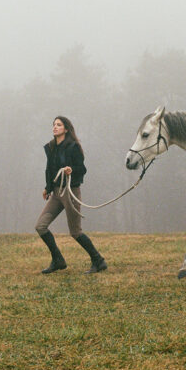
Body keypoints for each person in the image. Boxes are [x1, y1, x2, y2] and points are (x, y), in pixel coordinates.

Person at [35, 116, 107, 274]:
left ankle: (98, 261)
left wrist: (71, 170)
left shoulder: (73, 147)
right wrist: (47, 188)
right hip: (56, 193)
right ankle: (58, 260)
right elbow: (49, 169)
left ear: (66, 129)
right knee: (40, 226)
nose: (55, 127)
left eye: (59, 125)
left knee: (75, 232)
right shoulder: (51, 147)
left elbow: (82, 169)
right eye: (54, 125)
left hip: (70, 192)